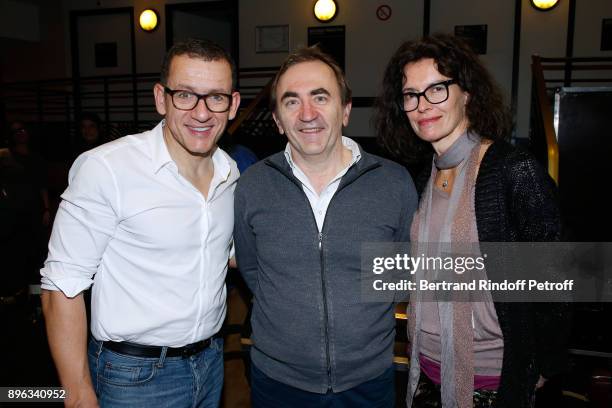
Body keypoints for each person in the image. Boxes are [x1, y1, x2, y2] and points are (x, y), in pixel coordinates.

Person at [40, 38, 240, 408]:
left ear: (233, 104)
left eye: (216, 97)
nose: (201, 113)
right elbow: (60, 287)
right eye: (185, 95)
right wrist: (78, 394)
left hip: (211, 363)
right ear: (161, 98)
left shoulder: (231, 172)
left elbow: (223, 255)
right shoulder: (107, 168)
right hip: (134, 376)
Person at [375, 34, 568, 408]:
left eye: (437, 89)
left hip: (493, 378)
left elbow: (555, 279)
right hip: (426, 372)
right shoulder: (423, 177)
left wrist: (543, 364)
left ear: (467, 93)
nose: (422, 105)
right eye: (411, 94)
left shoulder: (513, 170)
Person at [233, 46, 418, 407]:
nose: (307, 114)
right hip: (277, 382)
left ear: (345, 110)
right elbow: (254, 271)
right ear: (276, 119)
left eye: (320, 97)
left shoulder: (393, 183)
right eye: (291, 102)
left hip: (368, 382)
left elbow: (401, 278)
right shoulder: (253, 185)